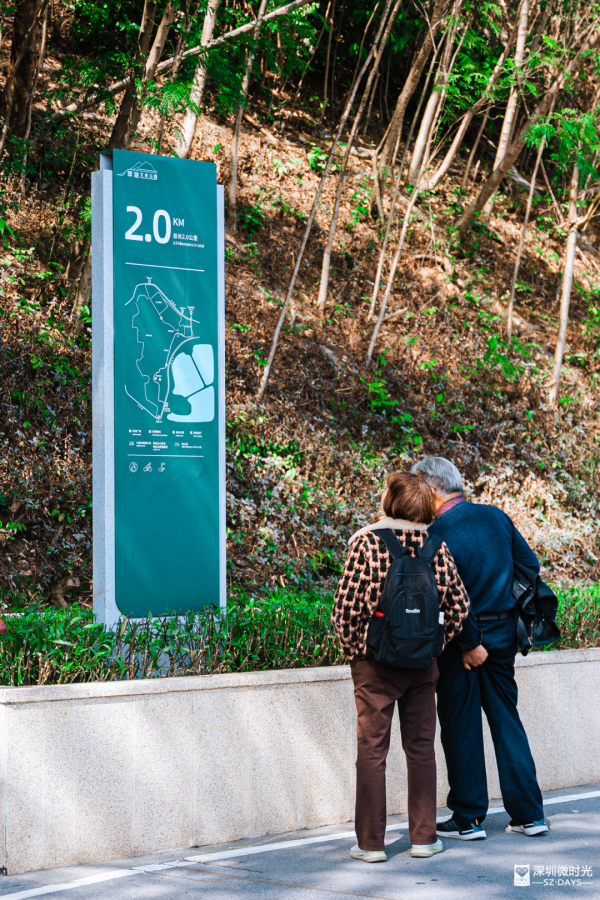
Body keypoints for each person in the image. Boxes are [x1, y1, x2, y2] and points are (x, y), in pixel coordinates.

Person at [332, 472, 470, 861]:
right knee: (421, 748)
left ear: (389, 501)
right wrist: (435, 643)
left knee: (373, 751)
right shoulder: (436, 545)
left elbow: (345, 609)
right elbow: (459, 607)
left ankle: (371, 845)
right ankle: (424, 839)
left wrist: (357, 652)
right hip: (423, 665)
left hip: (374, 664)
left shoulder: (367, 542)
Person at [411, 456, 548, 840]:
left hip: (460, 643)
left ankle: (469, 818)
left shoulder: (434, 533)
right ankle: (530, 815)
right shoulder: (496, 517)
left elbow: (445, 593)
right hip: (504, 637)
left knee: (460, 725)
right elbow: (530, 565)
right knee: (507, 721)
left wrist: (471, 642)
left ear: (431, 489)